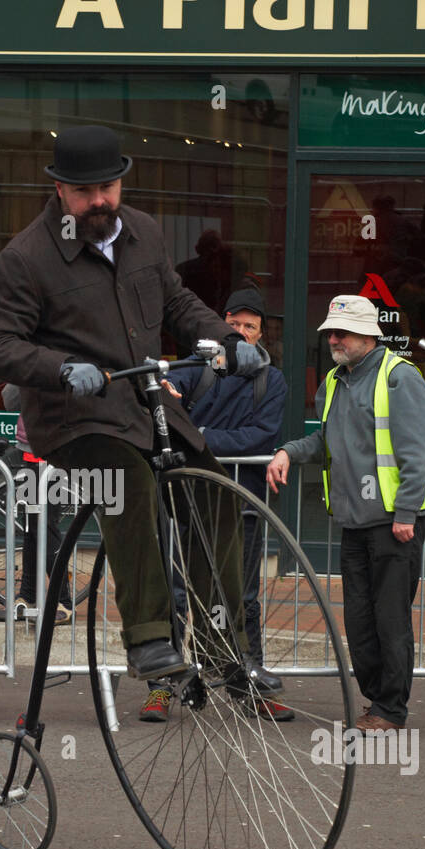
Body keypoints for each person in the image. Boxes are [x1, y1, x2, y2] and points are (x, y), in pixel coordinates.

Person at [0, 123, 265, 683]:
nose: (99, 201)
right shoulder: (28, 257)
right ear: (60, 189)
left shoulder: (143, 234)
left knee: (212, 489)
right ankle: (149, 639)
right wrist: (58, 369)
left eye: (108, 188)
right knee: (129, 483)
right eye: (86, 192)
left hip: (144, 405)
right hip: (73, 418)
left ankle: (219, 642)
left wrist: (229, 340)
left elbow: (178, 304)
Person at [266, 295, 425, 733]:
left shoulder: (399, 377)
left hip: (394, 520)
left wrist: (405, 514)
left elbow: (418, 455)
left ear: (368, 335)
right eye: (330, 334)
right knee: (360, 619)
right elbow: (324, 441)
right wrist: (288, 451)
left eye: (341, 333)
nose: (333, 340)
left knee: (390, 617)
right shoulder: (335, 380)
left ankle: (389, 710)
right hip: (354, 518)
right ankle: (378, 700)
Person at [139, 285, 291, 722]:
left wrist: (198, 437)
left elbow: (260, 435)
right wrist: (183, 419)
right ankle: (162, 689)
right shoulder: (195, 367)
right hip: (181, 498)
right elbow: (165, 408)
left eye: (250, 327)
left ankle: (248, 685)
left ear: (261, 335)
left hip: (239, 501)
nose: (241, 332)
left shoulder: (272, 380)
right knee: (173, 593)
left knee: (241, 595)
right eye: (234, 324)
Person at [0, 383, 72, 625]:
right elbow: (9, 398)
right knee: (31, 526)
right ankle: (27, 596)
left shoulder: (42, 355)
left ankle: (63, 601)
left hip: (55, 446)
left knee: (43, 526)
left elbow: (10, 398)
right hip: (36, 448)